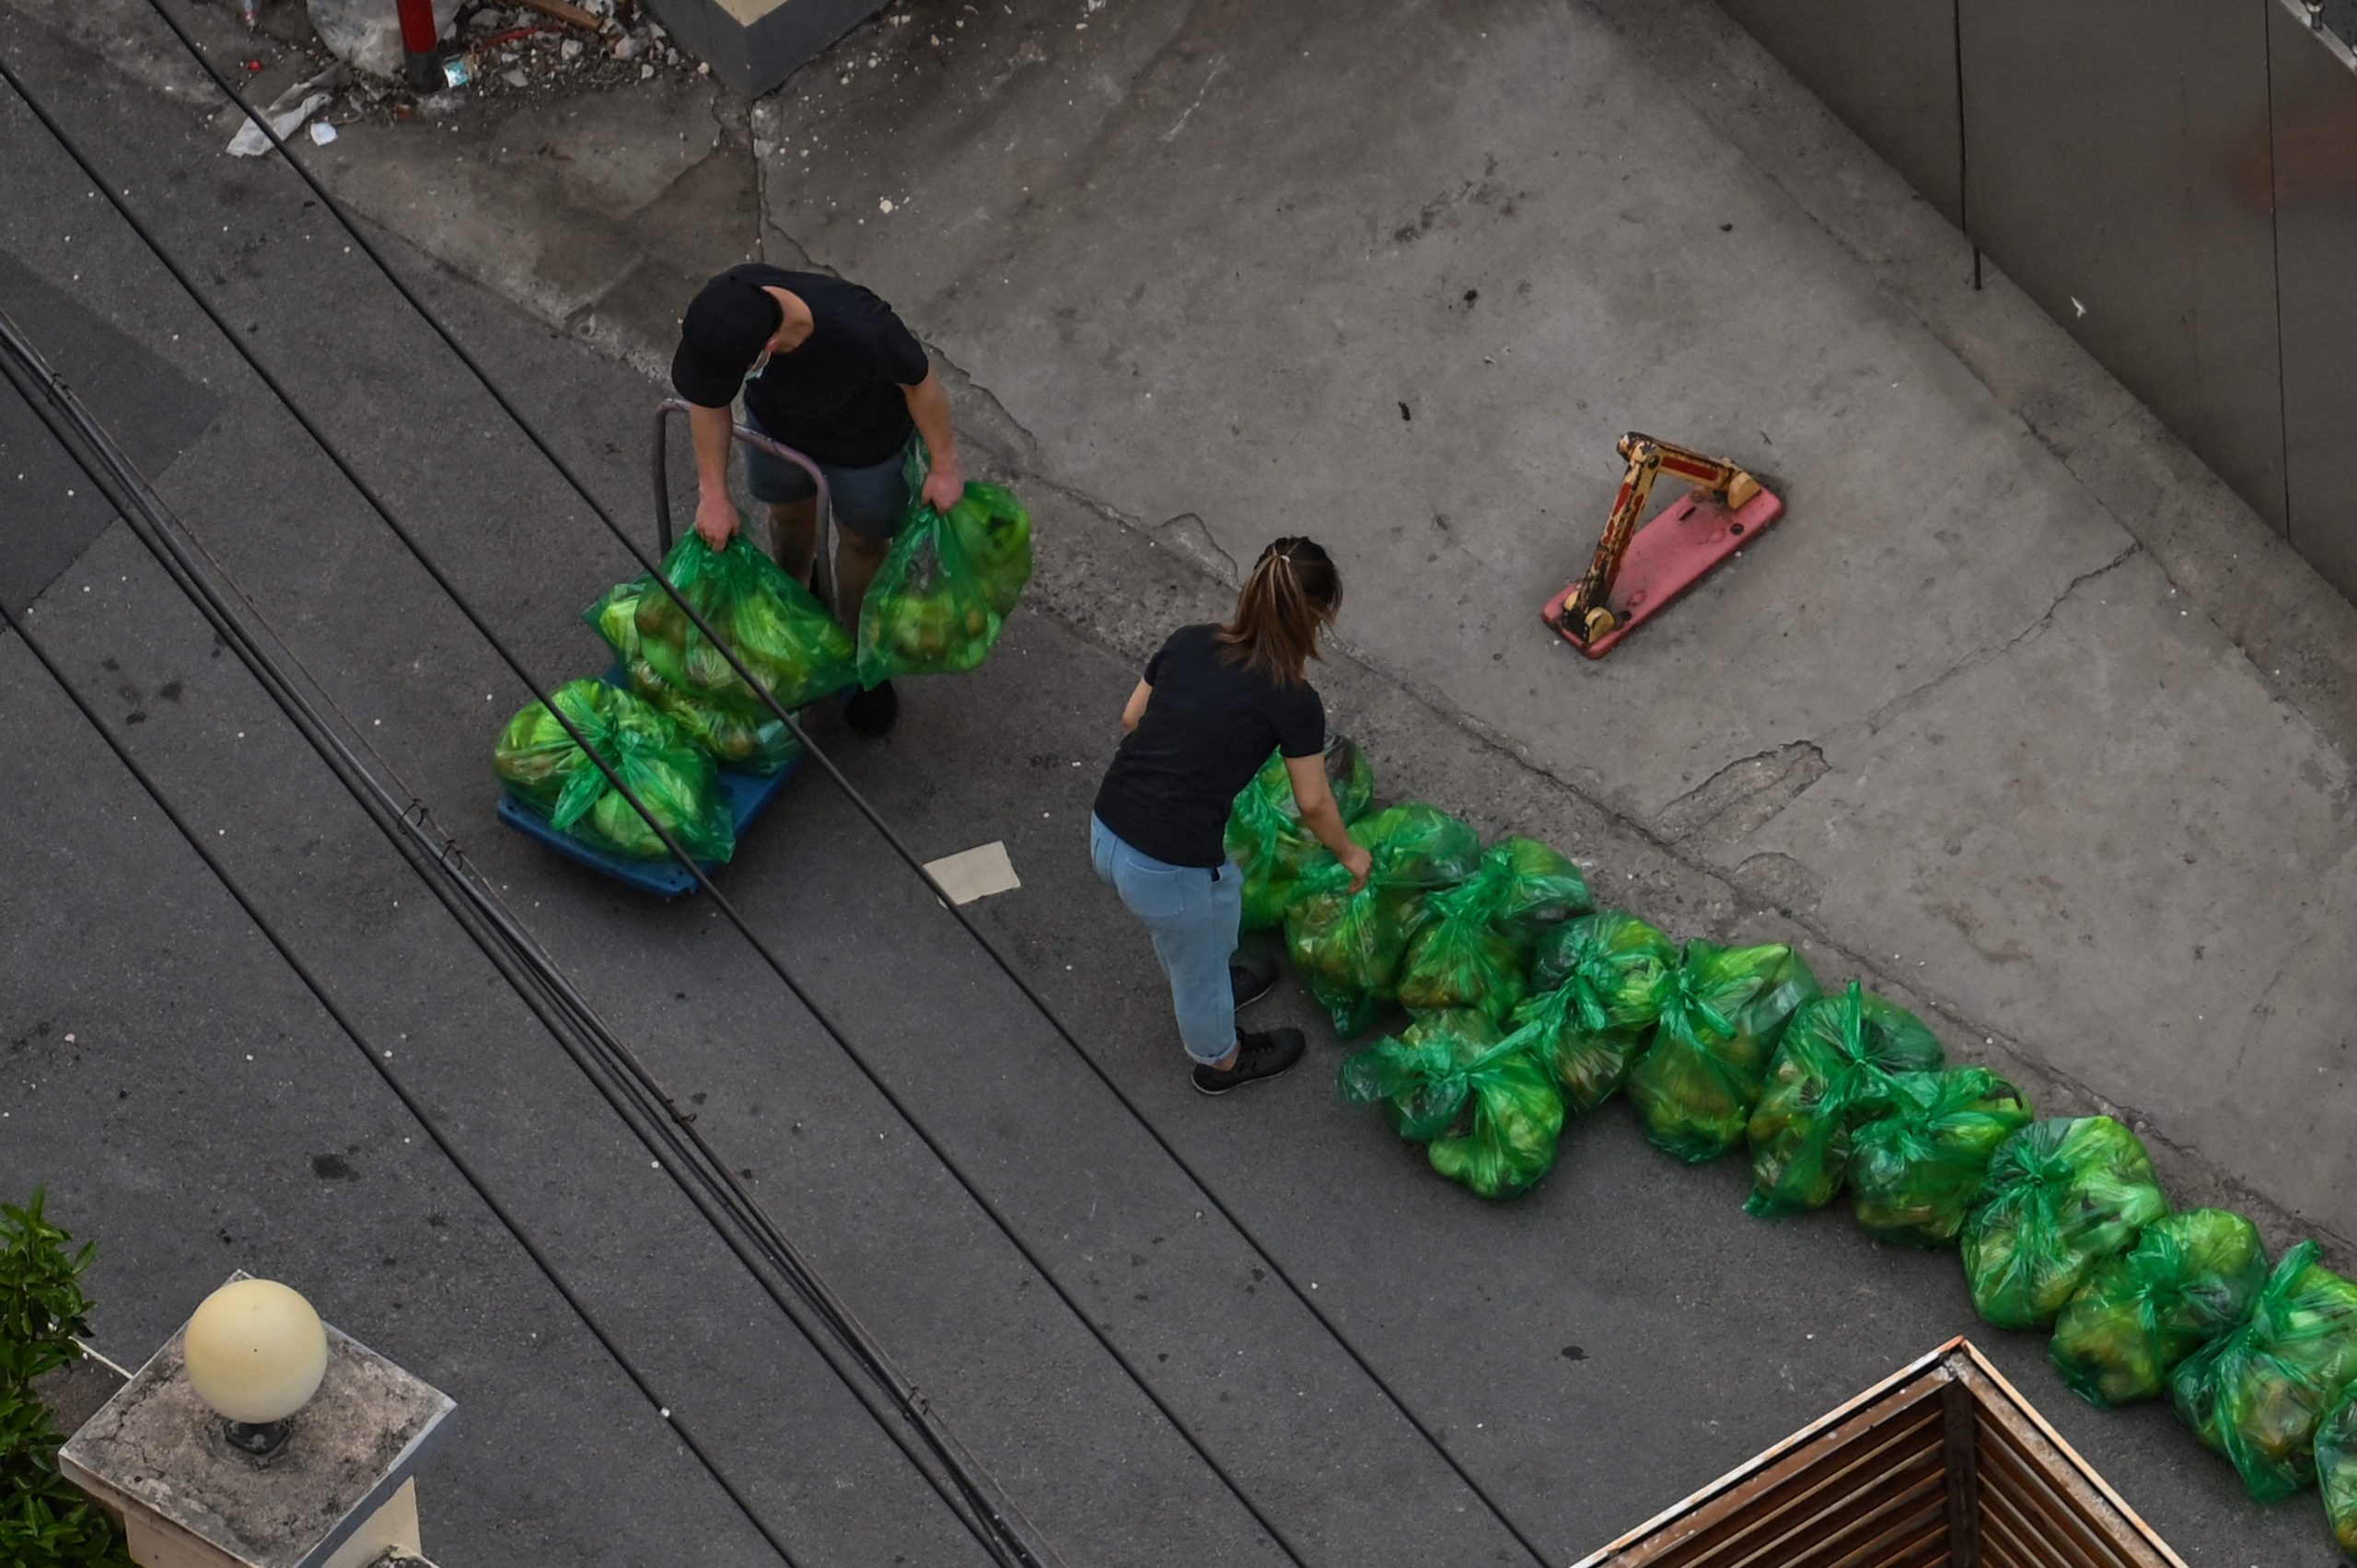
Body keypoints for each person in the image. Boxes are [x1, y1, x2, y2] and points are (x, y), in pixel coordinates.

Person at [1089, 539, 1374, 1095]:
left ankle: (1215, 978)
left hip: (1106, 827)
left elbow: (1131, 718)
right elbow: (1314, 803)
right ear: (1318, 617)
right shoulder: (1293, 699)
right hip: (1167, 865)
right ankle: (1220, 1059)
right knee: (1193, 960)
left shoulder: (1190, 641)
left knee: (1215, 906)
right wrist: (1350, 853)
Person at [670, 265, 964, 738]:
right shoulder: (731, 304)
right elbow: (710, 401)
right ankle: (795, 608)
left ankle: (857, 647)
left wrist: (944, 467)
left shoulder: (863, 329)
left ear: (766, 348)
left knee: (864, 544)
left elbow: (921, 386)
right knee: (787, 515)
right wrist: (713, 495)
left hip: (866, 445)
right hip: (780, 432)